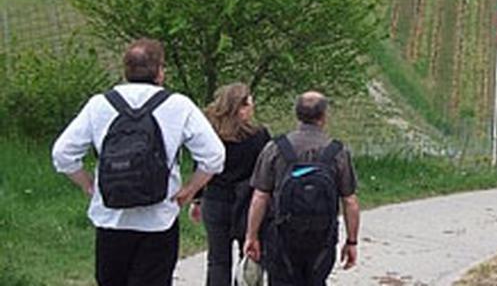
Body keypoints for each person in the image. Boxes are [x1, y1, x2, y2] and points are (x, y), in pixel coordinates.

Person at [51, 38, 225, 286]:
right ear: (160, 71)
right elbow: (214, 155)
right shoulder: (178, 105)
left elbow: (62, 153)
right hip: (159, 219)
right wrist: (190, 190)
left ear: (126, 70)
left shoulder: (100, 104)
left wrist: (88, 185)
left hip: (110, 218)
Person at [243, 91, 360, 286]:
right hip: (322, 236)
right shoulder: (338, 152)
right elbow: (350, 201)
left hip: (282, 235)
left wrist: (252, 236)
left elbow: (260, 197)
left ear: (297, 115)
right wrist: (351, 241)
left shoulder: (275, 148)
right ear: (323, 117)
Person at [190, 82, 271, 286]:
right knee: (250, 254)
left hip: (216, 199)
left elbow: (201, 167)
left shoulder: (210, 134)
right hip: (248, 202)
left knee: (217, 259)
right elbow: (266, 171)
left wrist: (197, 199)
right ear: (241, 106)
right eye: (250, 104)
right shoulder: (258, 135)